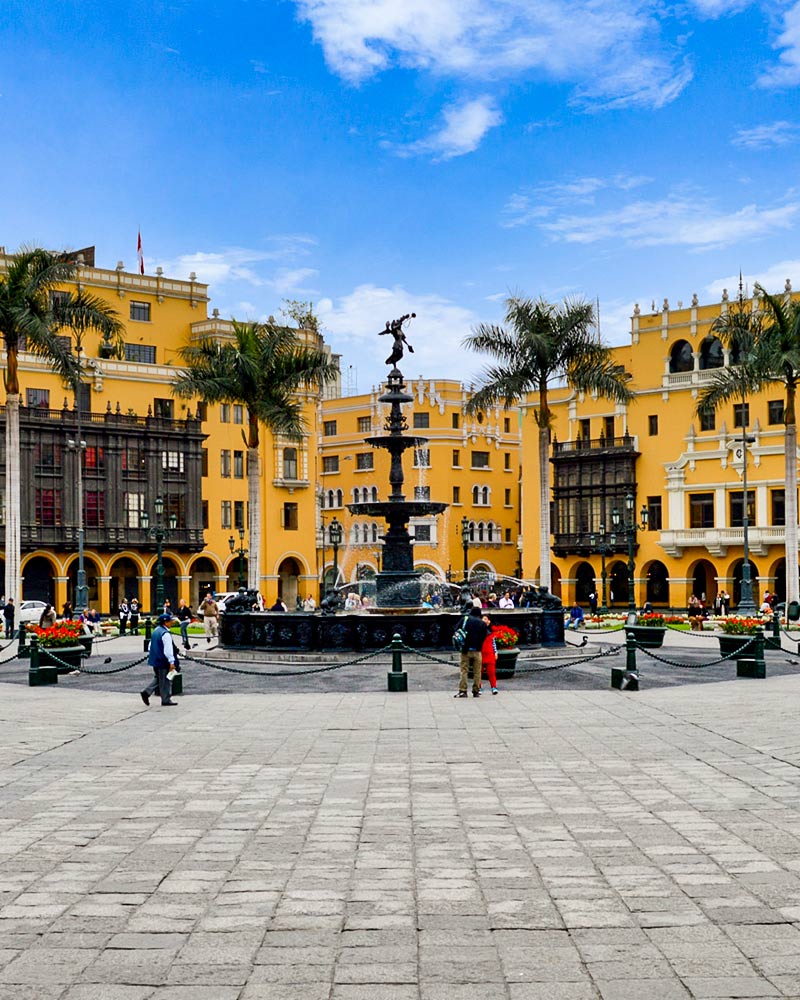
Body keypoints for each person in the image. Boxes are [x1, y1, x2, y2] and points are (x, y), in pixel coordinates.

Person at [140, 613, 178, 707]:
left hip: (155, 659)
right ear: (165, 622)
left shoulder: (156, 631)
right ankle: (165, 699)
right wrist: (171, 661)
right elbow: (168, 649)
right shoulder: (165, 634)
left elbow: (150, 646)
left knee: (158, 677)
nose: (171, 623)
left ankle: (147, 692)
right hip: (163, 660)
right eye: (170, 621)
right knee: (165, 680)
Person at [455, 607, 489, 699]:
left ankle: (463, 691)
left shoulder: (465, 619)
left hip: (465, 649)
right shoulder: (482, 623)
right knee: (477, 672)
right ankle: (476, 691)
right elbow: (484, 636)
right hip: (477, 650)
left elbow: (457, 630)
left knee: (464, 670)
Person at [481, 614, 499, 695]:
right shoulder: (479, 630)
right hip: (481, 653)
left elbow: (493, 643)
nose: (483, 620)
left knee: (491, 672)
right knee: (479, 672)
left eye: (485, 619)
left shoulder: (491, 632)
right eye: (483, 619)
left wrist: (495, 652)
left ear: (489, 621)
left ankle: (493, 687)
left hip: (490, 653)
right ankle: (479, 687)